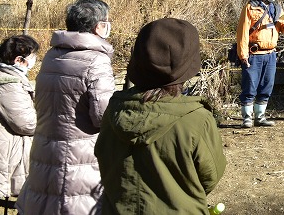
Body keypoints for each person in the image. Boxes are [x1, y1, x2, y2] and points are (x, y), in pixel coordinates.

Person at [96, 17, 226, 213]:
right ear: (189, 61)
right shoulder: (196, 119)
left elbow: (104, 161)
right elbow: (210, 176)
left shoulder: (114, 111)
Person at [18, 0, 116, 215]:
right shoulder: (96, 61)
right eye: (106, 21)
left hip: (45, 150)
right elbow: (103, 116)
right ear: (97, 26)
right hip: (80, 158)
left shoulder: (53, 55)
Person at [236, 0, 284, 128]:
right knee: (250, 86)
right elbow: (243, 32)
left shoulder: (276, 8)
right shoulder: (250, 8)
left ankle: (260, 117)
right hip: (254, 54)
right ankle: (247, 117)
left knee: (267, 86)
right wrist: (243, 55)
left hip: (271, 54)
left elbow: (283, 28)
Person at [0, 35, 39, 201]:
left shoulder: (13, 80)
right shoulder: (8, 85)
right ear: (19, 60)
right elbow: (26, 123)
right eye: (33, 57)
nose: (35, 60)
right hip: (7, 157)